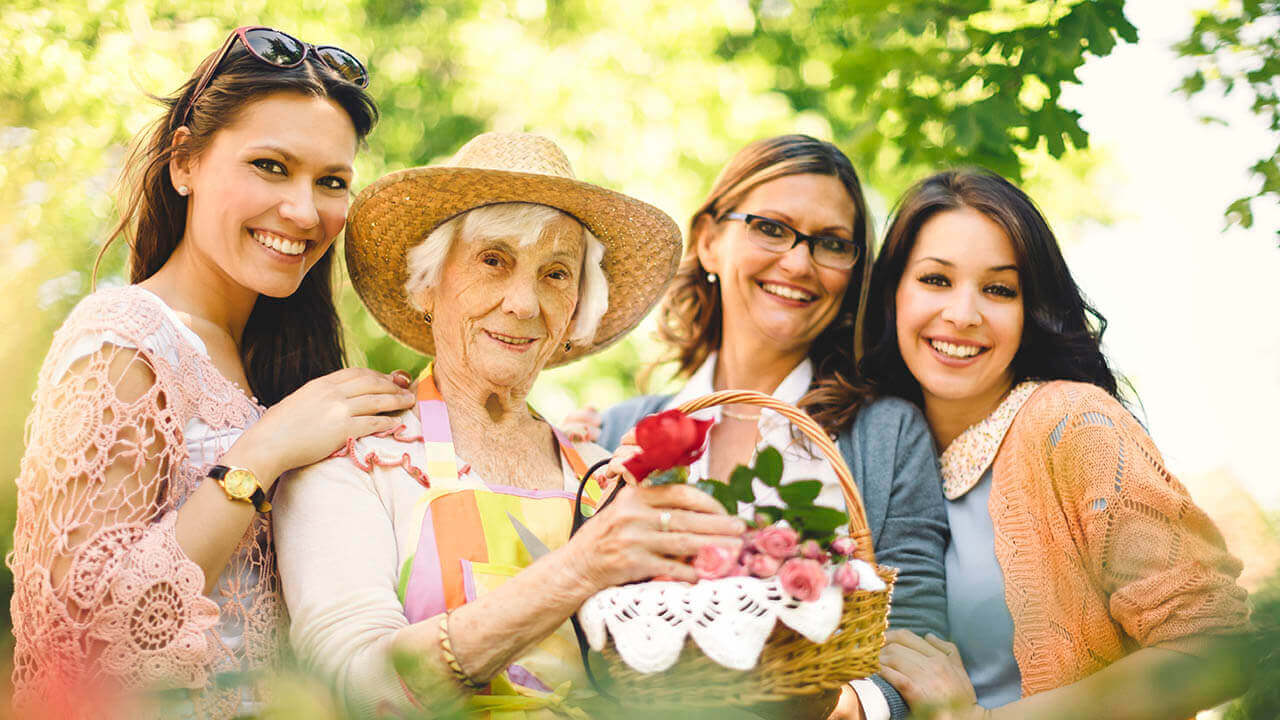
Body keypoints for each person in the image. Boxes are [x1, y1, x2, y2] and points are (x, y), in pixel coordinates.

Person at [7, 26, 414, 718]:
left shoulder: (286, 361)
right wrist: (265, 452)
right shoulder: (122, 344)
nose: (304, 210)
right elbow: (73, 647)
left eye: (332, 182)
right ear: (185, 162)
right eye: (271, 165)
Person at [272, 132, 751, 718]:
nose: (524, 303)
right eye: (493, 260)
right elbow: (358, 689)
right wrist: (578, 569)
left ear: (578, 307)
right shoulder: (356, 458)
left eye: (555, 274)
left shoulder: (601, 478)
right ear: (429, 282)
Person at [567, 135, 949, 720]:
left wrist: (845, 708)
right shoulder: (619, 428)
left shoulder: (888, 434)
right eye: (771, 227)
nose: (798, 262)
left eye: (832, 244)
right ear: (710, 241)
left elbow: (915, 637)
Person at [862, 169, 1251, 720]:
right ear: (892, 293)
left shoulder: (1073, 424)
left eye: (999, 289)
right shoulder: (877, 451)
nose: (962, 314)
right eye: (935, 280)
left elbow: (1216, 647)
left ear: (1030, 310)